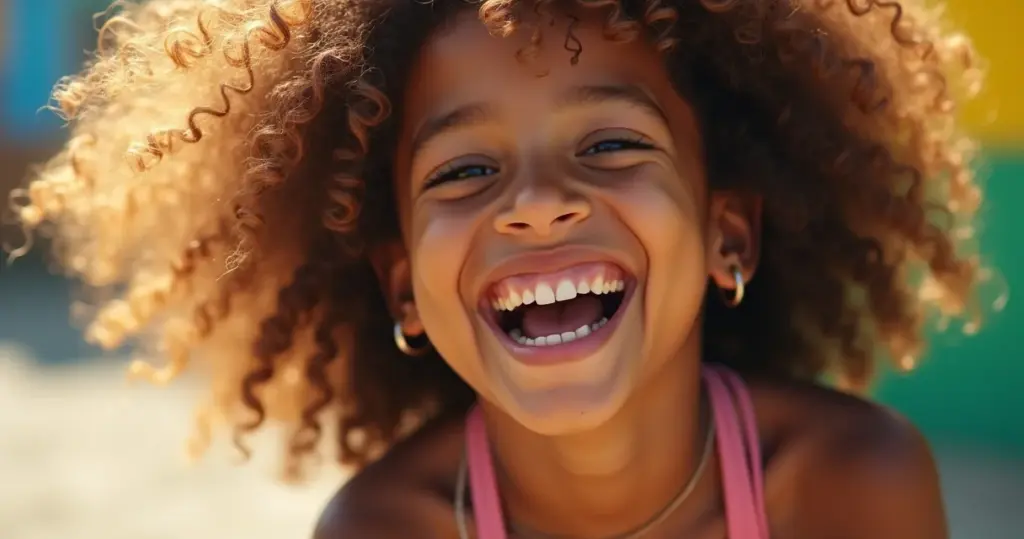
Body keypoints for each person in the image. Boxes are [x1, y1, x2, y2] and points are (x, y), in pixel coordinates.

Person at [11, 0, 988, 537]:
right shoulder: (380, 530)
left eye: (610, 145)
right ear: (402, 286)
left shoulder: (850, 486)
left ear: (729, 230)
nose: (534, 201)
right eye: (465, 169)